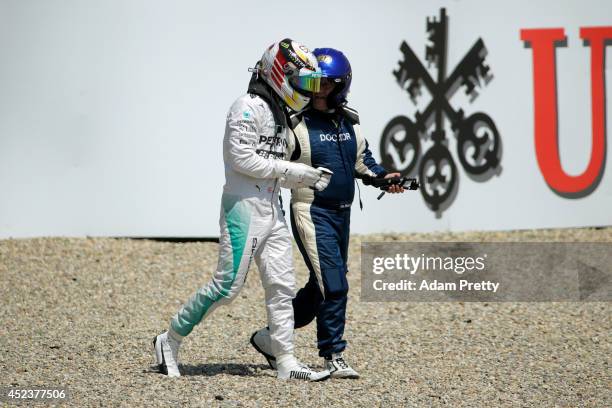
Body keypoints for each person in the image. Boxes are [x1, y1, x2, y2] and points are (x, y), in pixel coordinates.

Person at [153, 39, 333, 381]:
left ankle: (286, 361)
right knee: (226, 288)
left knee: (282, 285)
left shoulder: (282, 114)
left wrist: (307, 178)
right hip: (242, 209)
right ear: (281, 73)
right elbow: (241, 159)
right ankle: (169, 339)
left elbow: (276, 167)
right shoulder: (246, 107)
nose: (307, 91)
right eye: (303, 82)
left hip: (272, 207)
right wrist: (297, 173)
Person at [249, 48, 404, 379]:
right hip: (310, 210)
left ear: (341, 85)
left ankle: (269, 338)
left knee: (320, 287)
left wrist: (384, 178)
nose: (319, 90)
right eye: (314, 82)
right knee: (334, 285)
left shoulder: (351, 121)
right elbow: (273, 165)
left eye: (327, 84)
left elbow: (364, 163)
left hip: (342, 214)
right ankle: (333, 354)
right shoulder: (295, 123)